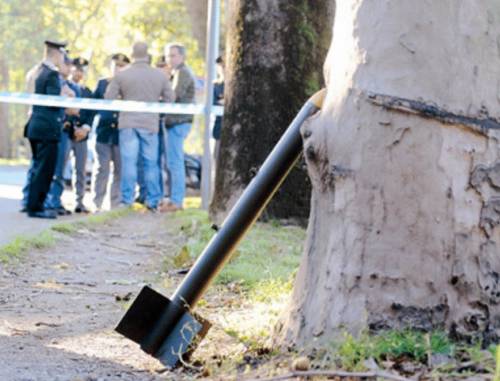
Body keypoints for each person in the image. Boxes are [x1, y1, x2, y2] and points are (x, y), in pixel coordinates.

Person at [105, 42, 174, 211]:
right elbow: (170, 99)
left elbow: (108, 97)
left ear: (133, 54)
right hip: (150, 124)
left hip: (128, 123)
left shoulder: (122, 75)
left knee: (129, 162)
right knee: (151, 163)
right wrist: (155, 103)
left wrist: (124, 99)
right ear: (147, 54)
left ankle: (126, 201)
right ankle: (153, 201)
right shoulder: (159, 76)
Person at [25, 40, 67, 219]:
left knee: (37, 168)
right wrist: (65, 97)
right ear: (57, 54)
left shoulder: (36, 71)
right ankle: (36, 207)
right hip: (47, 129)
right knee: (44, 170)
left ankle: (33, 204)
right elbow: (53, 102)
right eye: (62, 55)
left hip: (35, 126)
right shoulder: (50, 74)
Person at [160, 43, 196, 212]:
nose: (169, 59)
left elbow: (173, 96)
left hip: (179, 122)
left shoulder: (182, 72)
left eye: (173, 55)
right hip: (175, 122)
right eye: (167, 55)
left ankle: (177, 201)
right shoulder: (176, 73)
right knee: (173, 161)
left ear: (182, 56)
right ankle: (174, 199)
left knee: (175, 162)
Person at [44, 54, 81, 215]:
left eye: (70, 65)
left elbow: (76, 110)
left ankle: (55, 201)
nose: (69, 68)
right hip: (53, 128)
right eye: (67, 64)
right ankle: (47, 201)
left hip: (65, 130)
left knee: (60, 170)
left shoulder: (71, 86)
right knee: (49, 168)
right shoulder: (54, 81)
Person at [93, 53, 130, 211]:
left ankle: (114, 204)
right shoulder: (103, 83)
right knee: (102, 169)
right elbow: (92, 107)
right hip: (104, 132)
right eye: (116, 66)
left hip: (121, 134)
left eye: (122, 66)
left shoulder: (129, 84)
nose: (119, 69)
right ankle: (97, 203)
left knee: (119, 170)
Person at [68, 57, 93, 213]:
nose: (79, 73)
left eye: (81, 70)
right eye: (76, 69)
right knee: (60, 167)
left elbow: (90, 112)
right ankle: (54, 200)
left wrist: (85, 128)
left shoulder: (87, 92)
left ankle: (79, 201)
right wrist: (72, 127)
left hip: (82, 134)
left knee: (80, 169)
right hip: (67, 131)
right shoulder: (65, 86)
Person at [212, 56, 225, 162]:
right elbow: (213, 104)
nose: (222, 69)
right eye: (220, 67)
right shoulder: (216, 85)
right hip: (219, 128)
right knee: (217, 159)